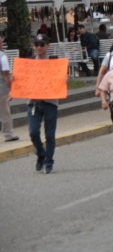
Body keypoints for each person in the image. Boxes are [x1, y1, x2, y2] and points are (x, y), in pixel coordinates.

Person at [28, 34, 59, 173]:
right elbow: (21, 82)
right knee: (33, 132)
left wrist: (64, 80)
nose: (39, 47)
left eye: (42, 44)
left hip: (50, 102)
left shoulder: (54, 61)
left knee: (50, 134)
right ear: (33, 46)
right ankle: (41, 154)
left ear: (47, 46)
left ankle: (48, 161)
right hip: (33, 102)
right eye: (36, 45)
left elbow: (61, 80)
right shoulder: (28, 62)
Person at [0, 37, 18, 142]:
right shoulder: (2, 57)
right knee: (5, 112)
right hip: (1, 89)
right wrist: (11, 89)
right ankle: (9, 134)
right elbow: (6, 75)